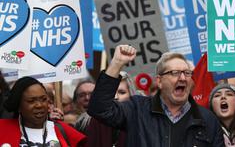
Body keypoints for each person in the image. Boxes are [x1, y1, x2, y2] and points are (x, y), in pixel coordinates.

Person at [88, 44, 224, 147]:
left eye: (187, 73)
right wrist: (116, 63)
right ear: (159, 81)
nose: (182, 78)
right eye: (175, 73)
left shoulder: (208, 119)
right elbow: (99, 109)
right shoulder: (137, 110)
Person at [0, 76, 86, 146]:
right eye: (31, 101)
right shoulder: (2, 129)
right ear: (18, 106)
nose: (39, 105)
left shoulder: (63, 130)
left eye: (44, 99)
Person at [87, 71, 136, 147]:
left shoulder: (140, 119)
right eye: (112, 92)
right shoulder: (94, 121)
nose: (116, 97)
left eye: (122, 92)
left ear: (131, 94)